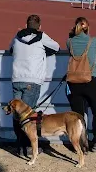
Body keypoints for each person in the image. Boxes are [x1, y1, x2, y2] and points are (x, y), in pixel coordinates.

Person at [7, 14, 60, 159]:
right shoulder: (41, 36)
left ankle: (20, 146)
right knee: (29, 117)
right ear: (39, 26)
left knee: (17, 115)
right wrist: (44, 52)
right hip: (33, 80)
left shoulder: (17, 36)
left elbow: (10, 49)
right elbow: (56, 47)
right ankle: (28, 148)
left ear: (26, 25)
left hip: (17, 79)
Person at [65, 17, 96, 151]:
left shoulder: (69, 42)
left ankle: (80, 144)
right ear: (87, 28)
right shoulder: (94, 41)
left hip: (73, 82)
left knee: (77, 115)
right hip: (91, 80)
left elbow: (70, 43)